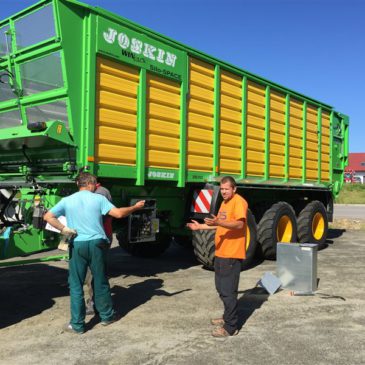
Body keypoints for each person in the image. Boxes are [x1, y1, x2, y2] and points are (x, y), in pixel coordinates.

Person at [44, 172, 145, 334]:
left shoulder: (67, 200)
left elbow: (48, 216)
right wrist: (135, 207)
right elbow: (119, 214)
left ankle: (77, 325)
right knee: (100, 280)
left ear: (79, 184)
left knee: (76, 284)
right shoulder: (99, 199)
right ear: (91, 184)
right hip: (97, 244)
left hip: (77, 244)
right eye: (95, 185)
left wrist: (64, 229)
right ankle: (107, 316)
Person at [187, 176, 248, 337]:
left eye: (227, 189)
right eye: (221, 189)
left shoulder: (238, 202)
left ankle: (230, 327)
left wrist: (219, 223)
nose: (224, 192)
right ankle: (227, 317)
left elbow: (240, 224)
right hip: (221, 253)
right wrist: (199, 226)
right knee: (221, 288)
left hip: (232, 254)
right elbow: (218, 225)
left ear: (234, 189)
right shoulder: (224, 203)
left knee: (228, 291)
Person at [85, 182, 113, 316]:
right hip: (94, 237)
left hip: (99, 237)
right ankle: (98, 304)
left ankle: (96, 305)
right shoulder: (94, 192)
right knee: (94, 272)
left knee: (96, 272)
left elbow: (100, 215)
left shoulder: (101, 192)